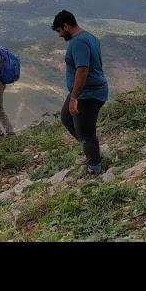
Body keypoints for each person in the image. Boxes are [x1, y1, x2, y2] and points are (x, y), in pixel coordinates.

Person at [52, 10, 108, 175]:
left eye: (59, 31)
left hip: (88, 94)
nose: (59, 35)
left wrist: (74, 97)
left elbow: (82, 70)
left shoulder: (79, 43)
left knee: (86, 132)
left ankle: (95, 168)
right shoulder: (90, 37)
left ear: (66, 26)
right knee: (66, 117)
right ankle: (91, 151)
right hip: (85, 91)